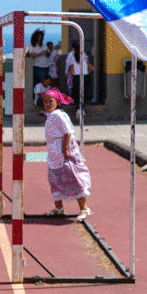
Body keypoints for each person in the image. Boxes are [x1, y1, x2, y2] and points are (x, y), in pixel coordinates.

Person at [42, 88, 92, 220]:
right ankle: (59, 208)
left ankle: (84, 208)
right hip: (54, 153)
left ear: (57, 102)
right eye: (45, 101)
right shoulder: (51, 115)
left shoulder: (58, 114)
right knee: (55, 180)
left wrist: (65, 150)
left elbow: (68, 132)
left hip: (62, 152)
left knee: (73, 179)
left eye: (50, 101)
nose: (47, 104)